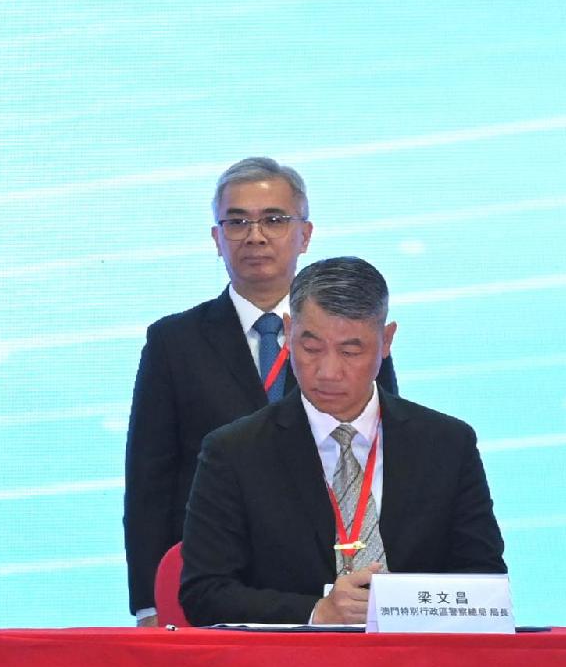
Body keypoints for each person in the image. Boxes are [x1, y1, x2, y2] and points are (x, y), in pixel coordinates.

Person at [121, 156, 394, 622]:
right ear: (216, 238)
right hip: (217, 577)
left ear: (305, 235)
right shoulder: (174, 341)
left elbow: (384, 447)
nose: (255, 235)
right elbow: (149, 480)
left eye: (274, 219)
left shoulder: (352, 333)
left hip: (333, 571)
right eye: (237, 222)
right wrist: (150, 603)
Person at [177, 256, 502, 626]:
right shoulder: (234, 452)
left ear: (386, 341)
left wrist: (403, 608)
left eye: (351, 351)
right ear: (288, 330)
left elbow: (484, 581)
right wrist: (317, 611)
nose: (328, 372)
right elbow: (204, 594)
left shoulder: (447, 445)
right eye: (311, 348)